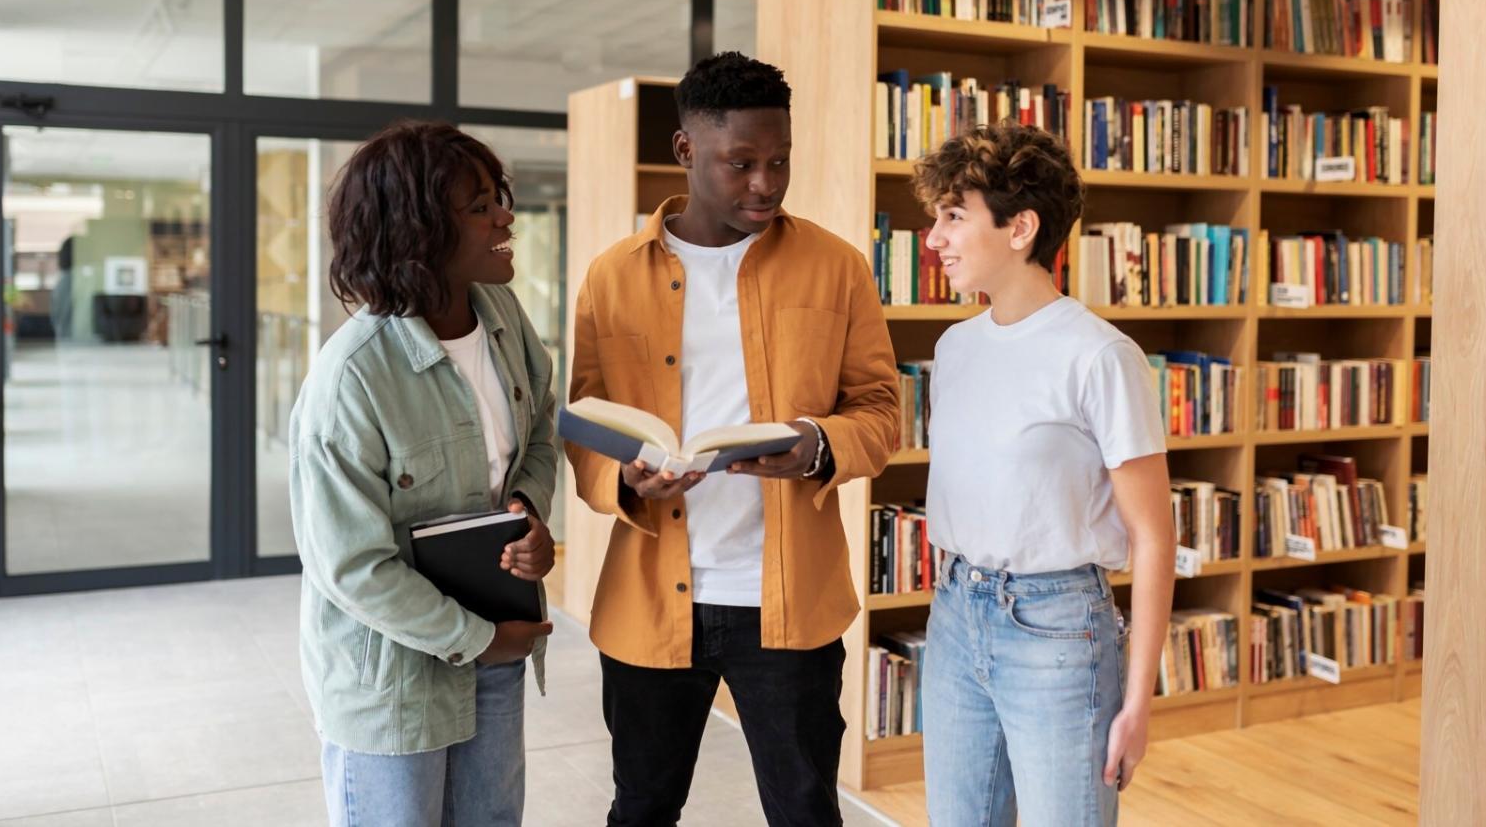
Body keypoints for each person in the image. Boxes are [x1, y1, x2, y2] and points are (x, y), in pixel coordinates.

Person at [566, 52, 900, 826]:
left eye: (778, 161)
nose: (765, 183)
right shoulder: (610, 275)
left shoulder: (837, 267)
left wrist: (816, 443)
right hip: (650, 599)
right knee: (641, 807)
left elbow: (881, 410)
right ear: (686, 150)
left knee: (805, 812)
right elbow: (584, 424)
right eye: (741, 163)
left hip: (787, 602)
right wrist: (624, 477)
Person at [289, 121, 557, 827]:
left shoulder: (501, 311)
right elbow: (350, 567)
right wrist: (478, 638)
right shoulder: (351, 377)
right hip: (393, 679)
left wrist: (530, 510)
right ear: (417, 230)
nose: (505, 216)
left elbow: (540, 427)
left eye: (498, 196)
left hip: (497, 647)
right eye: (479, 206)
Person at [914, 122, 1174, 827]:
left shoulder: (1098, 356)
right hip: (955, 612)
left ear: (1021, 227)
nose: (933, 237)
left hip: (1058, 629)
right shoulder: (954, 345)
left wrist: (1137, 702)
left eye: (953, 216)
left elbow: (1154, 537)